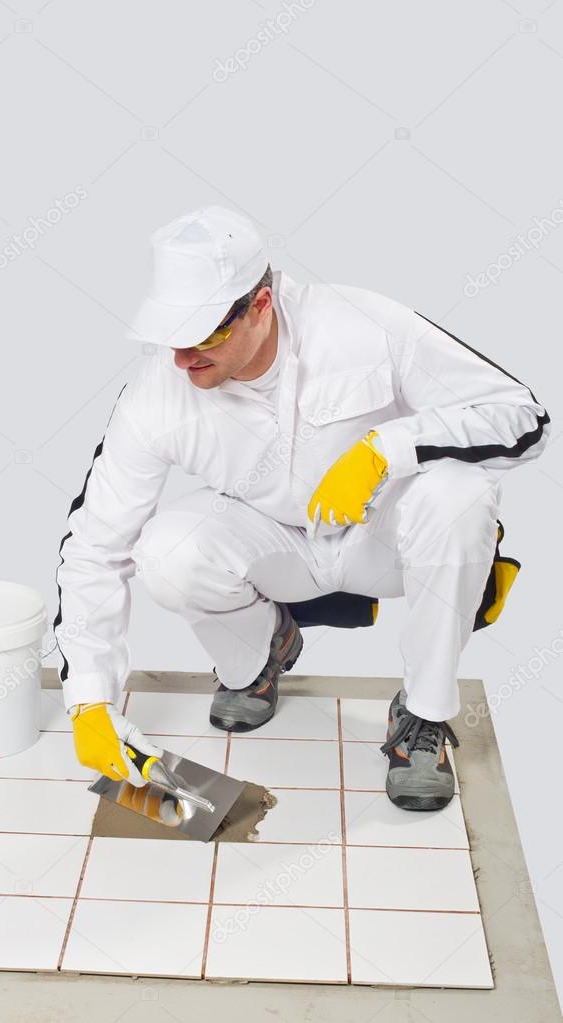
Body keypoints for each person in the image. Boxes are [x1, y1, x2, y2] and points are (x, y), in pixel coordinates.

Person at [54, 205, 550, 812]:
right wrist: (88, 699)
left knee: (461, 498)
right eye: (169, 337)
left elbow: (523, 419)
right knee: (167, 552)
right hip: (276, 547)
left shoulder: (362, 325)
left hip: (386, 539)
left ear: (260, 304)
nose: (183, 360)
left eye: (204, 334)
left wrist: (387, 449)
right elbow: (95, 546)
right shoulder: (157, 391)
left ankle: (421, 717)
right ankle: (263, 652)